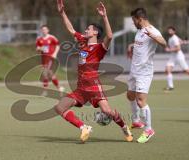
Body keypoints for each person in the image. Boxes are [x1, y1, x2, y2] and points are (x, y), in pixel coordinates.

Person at [55, 0, 133, 143]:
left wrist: (104, 16)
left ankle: (124, 127)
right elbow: (71, 29)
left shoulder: (99, 48)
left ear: (95, 32)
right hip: (80, 88)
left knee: (107, 112)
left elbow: (109, 36)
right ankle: (84, 127)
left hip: (93, 86)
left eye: (88, 29)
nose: (85, 31)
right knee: (60, 108)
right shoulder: (83, 42)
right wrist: (62, 13)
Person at [127, 8, 167, 143]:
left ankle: (149, 129)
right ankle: (137, 121)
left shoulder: (153, 30)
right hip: (134, 70)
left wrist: (153, 36)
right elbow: (141, 45)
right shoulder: (139, 31)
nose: (133, 23)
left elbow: (163, 43)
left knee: (140, 100)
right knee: (130, 95)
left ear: (140, 19)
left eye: (134, 21)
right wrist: (131, 46)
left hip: (144, 71)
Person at [36, 25, 65, 96]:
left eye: (45, 29)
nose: (44, 31)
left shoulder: (52, 38)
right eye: (42, 30)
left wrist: (55, 53)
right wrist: (40, 48)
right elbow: (37, 48)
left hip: (50, 58)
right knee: (50, 75)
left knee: (45, 73)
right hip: (43, 59)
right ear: (41, 31)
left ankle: (45, 91)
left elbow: (58, 45)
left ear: (48, 30)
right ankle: (59, 88)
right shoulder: (39, 39)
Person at [164, 26, 189, 91]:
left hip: (179, 56)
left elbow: (178, 49)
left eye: (171, 30)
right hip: (173, 57)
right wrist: (181, 41)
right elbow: (180, 41)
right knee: (167, 70)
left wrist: (169, 50)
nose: (169, 32)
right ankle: (171, 86)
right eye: (168, 30)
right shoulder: (172, 38)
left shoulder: (174, 38)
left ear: (174, 31)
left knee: (187, 70)